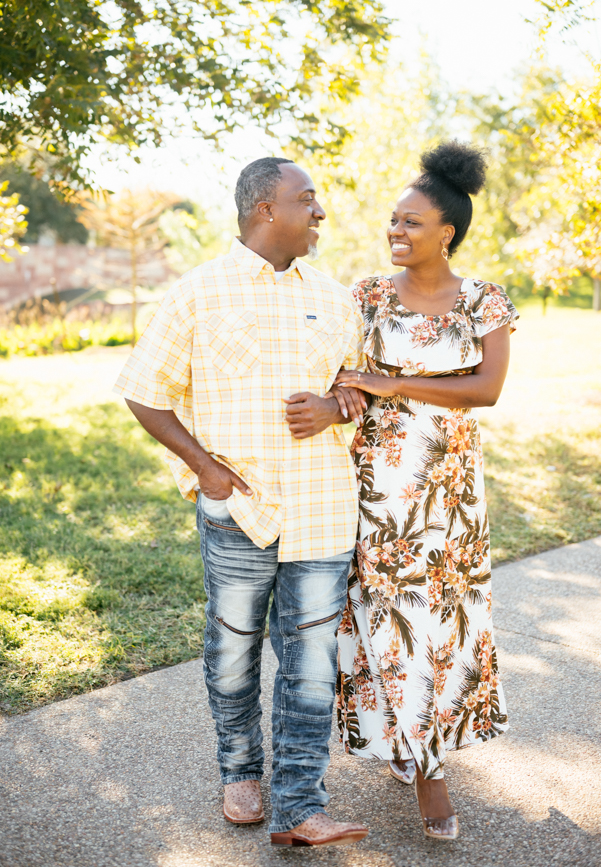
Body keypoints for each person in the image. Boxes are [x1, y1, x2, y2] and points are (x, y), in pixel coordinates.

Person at [113, 157, 370, 848]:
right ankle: (239, 771)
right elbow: (144, 389)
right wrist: (206, 470)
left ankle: (299, 808)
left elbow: (355, 386)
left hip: (320, 505)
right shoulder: (198, 292)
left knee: (311, 662)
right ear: (265, 209)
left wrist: (341, 403)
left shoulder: (336, 297)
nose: (319, 212)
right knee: (232, 653)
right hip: (239, 510)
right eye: (306, 200)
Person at [334, 141, 518, 842]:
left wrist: (393, 383)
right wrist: (350, 394)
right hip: (377, 488)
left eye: (410, 222)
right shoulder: (366, 295)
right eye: (391, 221)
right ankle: (419, 756)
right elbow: (341, 375)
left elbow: (487, 389)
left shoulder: (482, 299)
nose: (395, 232)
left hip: (449, 493)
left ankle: (426, 757)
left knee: (442, 626)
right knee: (384, 619)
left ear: (445, 230)